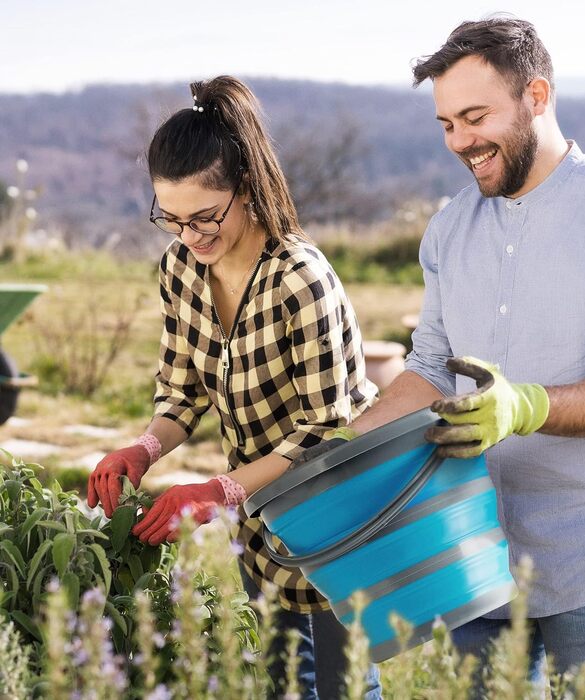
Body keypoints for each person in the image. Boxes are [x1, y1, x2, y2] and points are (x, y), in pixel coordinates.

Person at [311, 17, 585, 699]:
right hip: (471, 554)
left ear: (537, 96)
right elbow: (428, 367)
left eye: (475, 116)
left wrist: (521, 406)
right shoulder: (452, 227)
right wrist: (342, 449)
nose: (460, 141)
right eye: (446, 124)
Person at [86, 76, 382, 700]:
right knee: (280, 681)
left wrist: (220, 490)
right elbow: (182, 387)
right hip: (262, 520)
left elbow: (330, 432)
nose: (189, 236)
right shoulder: (180, 269)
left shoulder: (300, 280)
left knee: (345, 684)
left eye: (203, 218)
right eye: (170, 219)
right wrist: (144, 448)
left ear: (246, 188)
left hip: (341, 514)